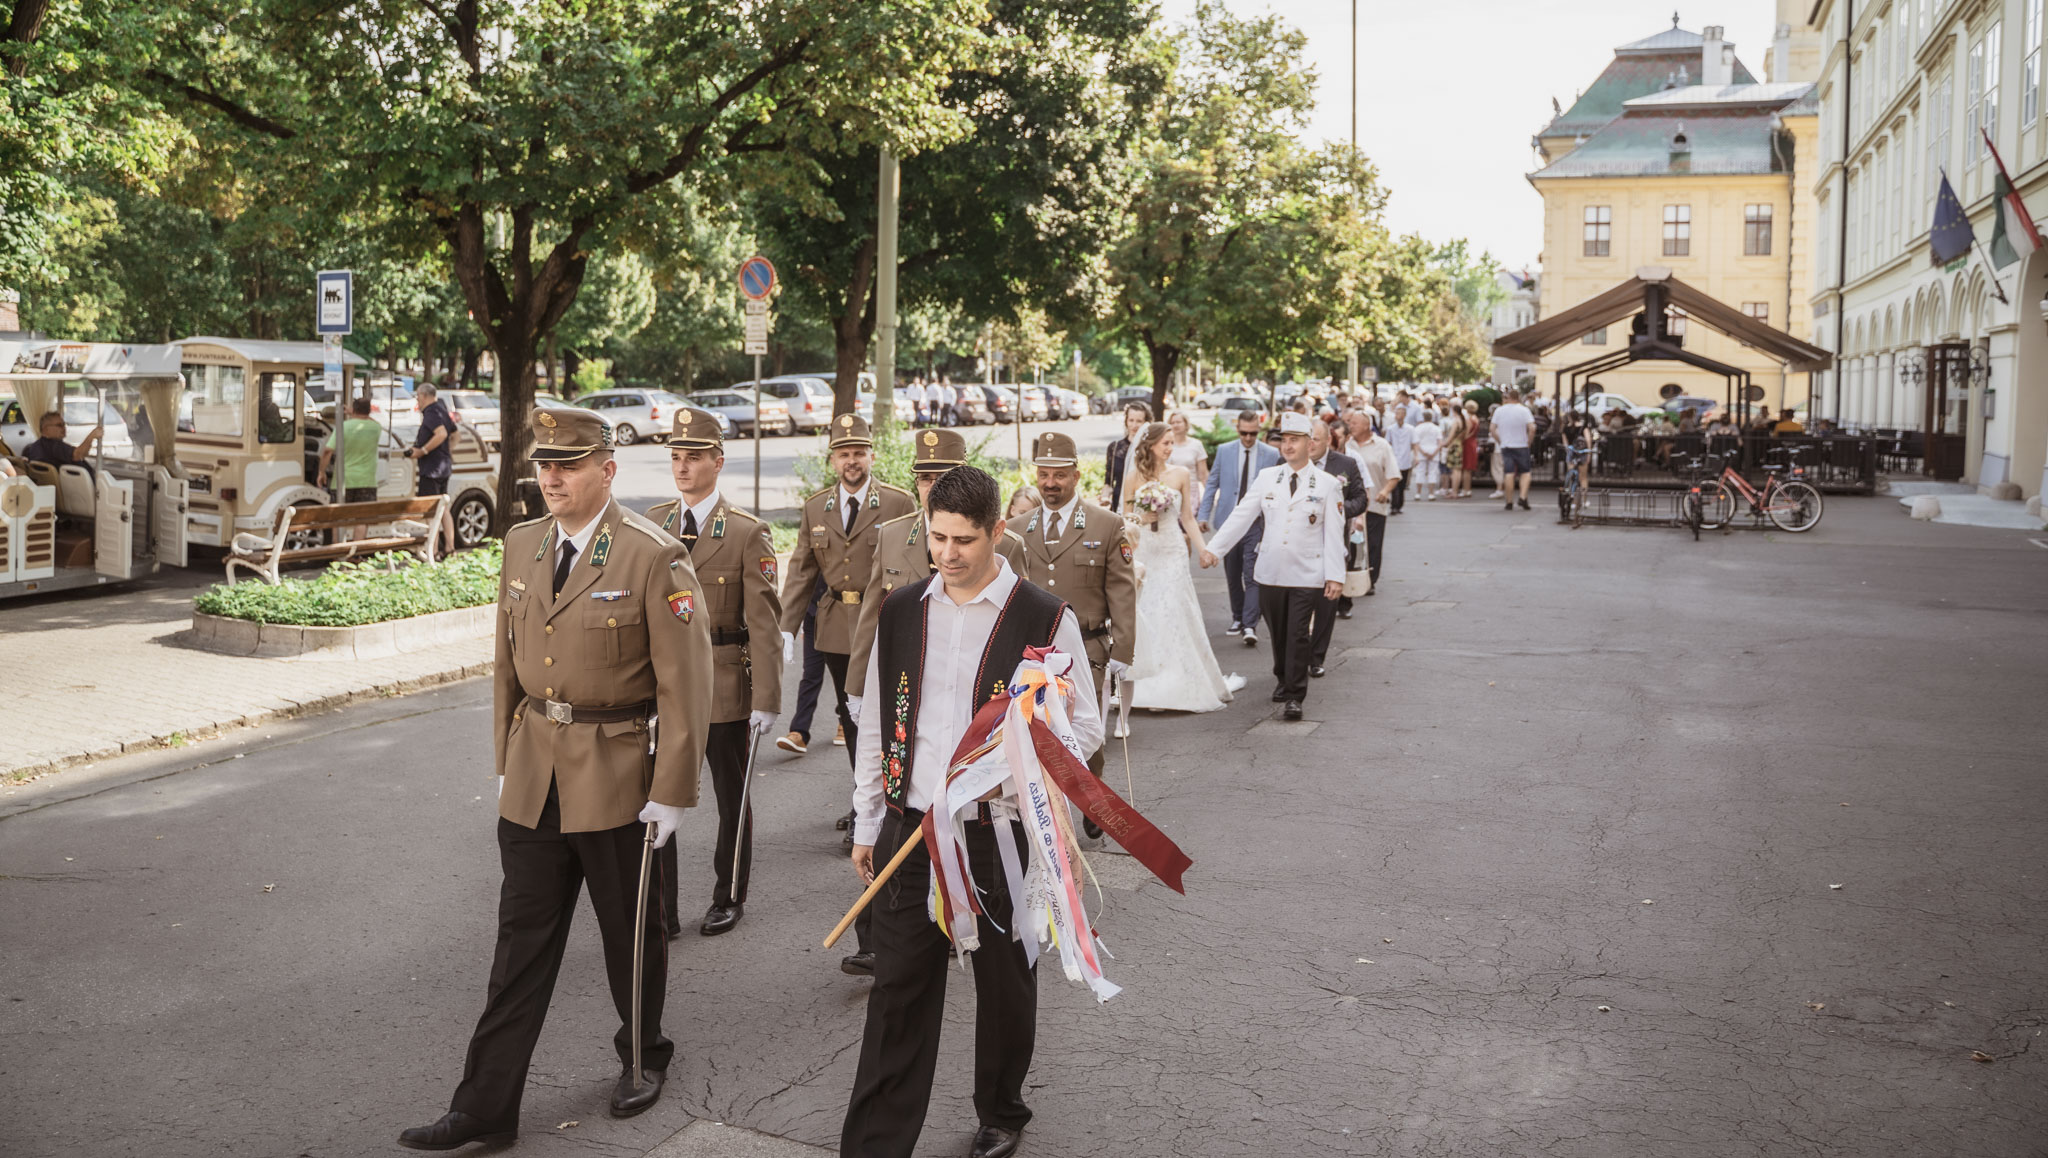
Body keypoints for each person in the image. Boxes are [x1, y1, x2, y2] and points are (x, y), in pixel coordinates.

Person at [398, 407, 713, 1151]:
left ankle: (643, 1056)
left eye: (568, 465)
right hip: (536, 772)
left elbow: (687, 682)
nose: (552, 477)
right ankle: (485, 1107)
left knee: (628, 934)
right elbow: (506, 663)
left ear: (607, 470)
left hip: (617, 774)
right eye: (545, 465)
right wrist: (507, 761)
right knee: (519, 949)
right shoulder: (522, 542)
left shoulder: (651, 554)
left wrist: (672, 790)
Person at [841, 465, 1103, 1158]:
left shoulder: (1043, 616)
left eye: (963, 540)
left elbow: (1085, 727)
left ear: (997, 531)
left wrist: (1012, 762)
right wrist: (868, 820)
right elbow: (877, 725)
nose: (947, 554)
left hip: (1000, 832)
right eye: (937, 537)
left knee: (1006, 983)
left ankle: (1001, 1110)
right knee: (897, 992)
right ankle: (874, 1144)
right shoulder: (903, 610)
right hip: (912, 828)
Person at [645, 409, 781, 940]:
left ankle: (728, 896)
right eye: (677, 457)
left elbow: (764, 623)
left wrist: (766, 697)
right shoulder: (653, 523)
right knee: (658, 794)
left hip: (724, 683)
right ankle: (662, 908)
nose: (683, 467)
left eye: (694, 458)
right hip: (664, 687)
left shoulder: (746, 531)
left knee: (731, 798)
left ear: (718, 462)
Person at [777, 414, 916, 831]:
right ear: (832, 460)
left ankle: (894, 804)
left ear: (872, 455)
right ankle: (863, 806)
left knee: (891, 720)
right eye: (843, 454)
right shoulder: (815, 507)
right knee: (853, 720)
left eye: (858, 452)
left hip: (885, 628)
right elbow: (801, 571)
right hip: (836, 629)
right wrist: (786, 626)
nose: (851, 461)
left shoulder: (897, 503)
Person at [1012, 431, 1139, 833]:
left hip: (1086, 649)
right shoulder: (1015, 529)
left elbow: (1122, 591)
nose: (1050, 483)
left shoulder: (1107, 524)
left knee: (1084, 728)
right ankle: (1041, 806)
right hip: (1030, 651)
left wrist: (1123, 649)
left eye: (1059, 475)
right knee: (1034, 728)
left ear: (1076, 476)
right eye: (1043, 474)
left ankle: (1091, 790)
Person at [1200, 412, 1345, 722]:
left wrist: (1335, 576)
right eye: (1284, 440)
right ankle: (1283, 676)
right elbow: (1242, 515)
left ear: (1310, 444)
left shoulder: (1327, 484)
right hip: (1270, 571)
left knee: (1298, 634)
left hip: (1307, 572)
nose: (1288, 446)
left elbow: (1334, 533)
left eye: (1295, 440)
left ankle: (1295, 695)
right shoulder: (1268, 477)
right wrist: (1214, 549)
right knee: (1278, 634)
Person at [1119, 422, 1240, 714]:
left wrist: (1204, 549)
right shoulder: (1133, 477)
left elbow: (1187, 518)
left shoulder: (1181, 474)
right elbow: (1125, 519)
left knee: (1173, 608)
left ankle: (1174, 683)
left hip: (1172, 549)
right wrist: (1141, 518)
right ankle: (1147, 681)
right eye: (1165, 443)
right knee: (1147, 610)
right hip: (1146, 549)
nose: (1170, 448)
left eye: (1172, 443)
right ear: (1150, 446)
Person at [1197, 409, 1281, 645]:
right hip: (1229, 520)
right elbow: (1212, 483)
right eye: (1244, 433)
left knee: (1252, 573)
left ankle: (1249, 624)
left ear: (1259, 431)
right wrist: (1203, 515)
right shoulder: (1225, 451)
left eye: (1253, 433)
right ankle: (1237, 617)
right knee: (1233, 573)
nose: (1248, 438)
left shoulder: (1271, 454)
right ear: (1237, 429)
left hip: (1257, 523)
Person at [1303, 421, 1369, 675]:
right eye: (1307, 439)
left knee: (1326, 604)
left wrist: (1337, 511)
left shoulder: (1346, 464)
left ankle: (1316, 658)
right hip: (1300, 547)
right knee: (1299, 604)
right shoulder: (1290, 464)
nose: (1309, 445)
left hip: (1333, 546)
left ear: (1328, 440)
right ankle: (1296, 653)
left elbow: (1361, 499)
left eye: (1315, 440)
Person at [1340, 409, 1398, 602]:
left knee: (1373, 544)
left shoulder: (1381, 446)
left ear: (1366, 425)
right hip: (1353, 505)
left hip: (1374, 505)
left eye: (1355, 423)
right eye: (1350, 423)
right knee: (1352, 546)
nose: (1351, 426)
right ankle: (1351, 580)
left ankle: (1370, 580)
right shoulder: (1346, 445)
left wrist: (1385, 491)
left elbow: (1393, 475)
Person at [405, 383, 461, 553]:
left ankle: (433, 551)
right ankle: (450, 547)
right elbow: (456, 434)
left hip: (431, 470)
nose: (417, 400)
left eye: (417, 396)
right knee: (443, 509)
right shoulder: (442, 409)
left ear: (424, 396)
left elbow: (442, 433)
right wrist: (446, 451)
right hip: (443, 467)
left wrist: (422, 451)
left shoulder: (431, 412)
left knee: (431, 512)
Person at [317, 397, 383, 503]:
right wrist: (353, 412)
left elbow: (328, 451)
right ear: (369, 411)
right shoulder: (376, 427)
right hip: (367, 482)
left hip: (343, 482)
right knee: (364, 513)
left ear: (354, 409)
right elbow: (372, 420)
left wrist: (321, 472)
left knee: (341, 513)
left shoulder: (343, 427)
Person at [1491, 388, 1536, 512]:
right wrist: (1529, 441)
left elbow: (1492, 429)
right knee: (1525, 472)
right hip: (1521, 444)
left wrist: (1500, 440)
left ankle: (1509, 501)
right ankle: (1522, 496)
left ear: (1508, 397)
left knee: (1509, 473)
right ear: (1518, 397)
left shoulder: (1499, 410)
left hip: (1506, 445)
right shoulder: (1524, 410)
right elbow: (1532, 428)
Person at [21, 410, 101, 474]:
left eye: (64, 424)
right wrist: (91, 436)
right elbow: (77, 455)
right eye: (59, 425)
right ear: (46, 429)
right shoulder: (54, 445)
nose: (63, 428)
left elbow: (82, 454)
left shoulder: (34, 447)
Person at [1104, 400, 1149, 511]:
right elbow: (1108, 482)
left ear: (1145, 423)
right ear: (1126, 421)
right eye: (1131, 420)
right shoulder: (1115, 447)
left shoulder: (1150, 449)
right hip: (1118, 504)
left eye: (1139, 421)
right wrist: (1105, 496)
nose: (1134, 425)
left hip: (1143, 503)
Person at [1165, 409, 1208, 487]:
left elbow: (1203, 475)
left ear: (1186, 424)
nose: (1175, 425)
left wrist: (1208, 493)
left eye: (1178, 422)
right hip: (1170, 490)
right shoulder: (1165, 445)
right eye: (1172, 423)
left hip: (1191, 489)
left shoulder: (1196, 445)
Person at [1411, 408, 1443, 502]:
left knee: (1420, 472)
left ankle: (1418, 493)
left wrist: (1422, 452)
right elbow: (1440, 443)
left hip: (1422, 451)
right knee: (1432, 473)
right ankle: (1431, 493)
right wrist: (1434, 452)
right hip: (1433, 451)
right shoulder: (1436, 428)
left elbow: (1416, 442)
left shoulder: (1418, 428)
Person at [1386, 409, 1414, 514]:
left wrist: (1415, 456)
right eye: (1397, 413)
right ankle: (1394, 505)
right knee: (1394, 483)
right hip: (1394, 459)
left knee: (1402, 485)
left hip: (1405, 459)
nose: (1399, 416)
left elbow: (1414, 443)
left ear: (1405, 415)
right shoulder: (1390, 429)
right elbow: (1387, 443)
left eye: (1401, 414)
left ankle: (1399, 505)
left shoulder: (1410, 429)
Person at [1458, 399, 1480, 497]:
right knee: (1468, 468)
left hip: (1468, 443)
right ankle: (1467, 489)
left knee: (1466, 468)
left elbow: (1466, 434)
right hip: (1473, 443)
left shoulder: (1469, 420)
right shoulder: (1476, 419)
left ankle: (1465, 489)